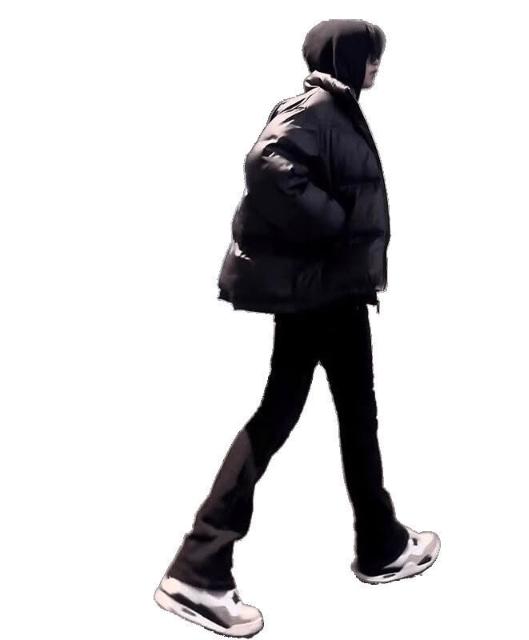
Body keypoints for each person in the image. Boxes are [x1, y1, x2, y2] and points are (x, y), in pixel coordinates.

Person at [153, 18, 441, 637]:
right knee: (296, 415)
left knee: (336, 413)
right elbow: (267, 163)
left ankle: (378, 542)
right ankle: (200, 568)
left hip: (331, 289)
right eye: (369, 54)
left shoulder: (337, 109)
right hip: (323, 293)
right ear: (344, 56)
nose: (377, 65)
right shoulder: (315, 108)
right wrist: (332, 221)